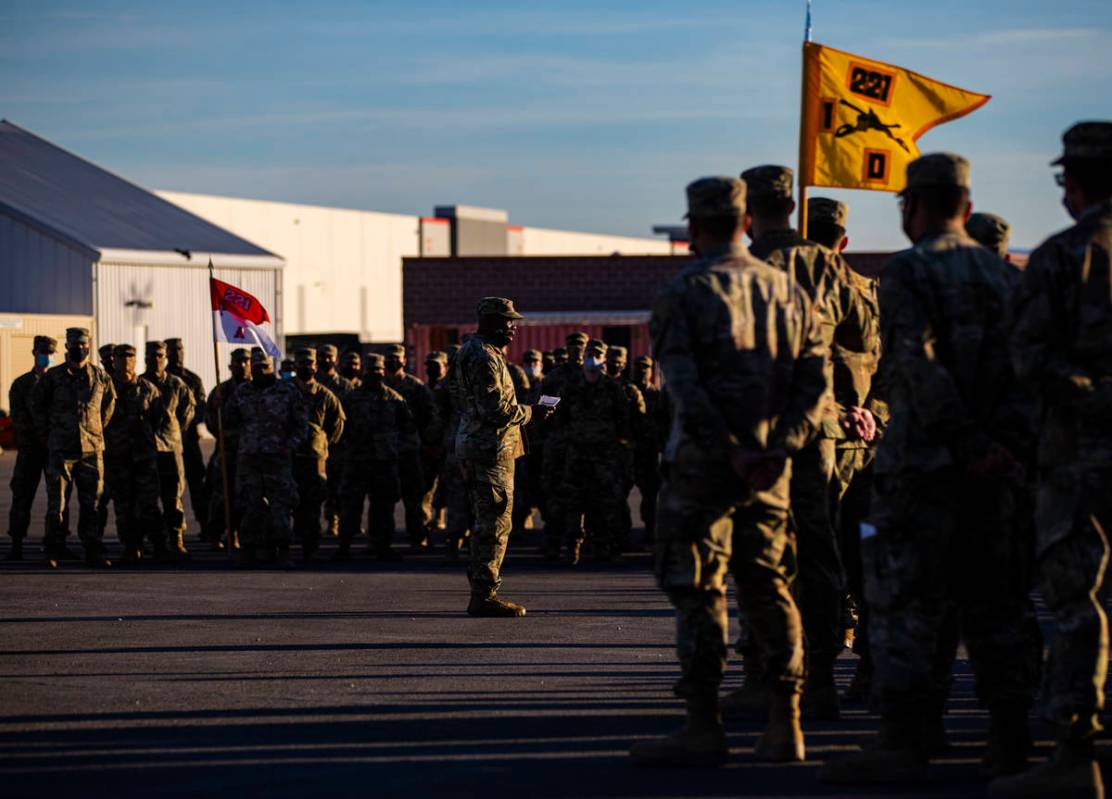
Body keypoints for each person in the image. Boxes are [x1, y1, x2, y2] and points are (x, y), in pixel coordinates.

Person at [821, 154, 1040, 785]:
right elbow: (1032, 374)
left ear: (911, 207)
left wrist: (967, 441)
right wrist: (1004, 448)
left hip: (927, 470)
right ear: (967, 209)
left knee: (912, 604)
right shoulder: (1008, 278)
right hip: (997, 472)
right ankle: (1010, 736)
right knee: (997, 602)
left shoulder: (911, 271)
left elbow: (913, 365)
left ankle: (909, 736)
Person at [630, 177, 826, 767]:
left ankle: (702, 723)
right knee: (768, 585)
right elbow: (815, 386)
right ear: (746, 221)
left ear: (693, 225)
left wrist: (732, 450)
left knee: (700, 591)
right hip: (771, 470)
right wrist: (777, 449)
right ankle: (786, 722)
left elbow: (685, 389)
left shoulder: (684, 292)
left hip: (704, 470)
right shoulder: (788, 293)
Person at [996, 121, 1112, 798]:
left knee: (1079, 602)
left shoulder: (1068, 254)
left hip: (1080, 462)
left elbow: (1030, 360)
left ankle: (1075, 753)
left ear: (1073, 181)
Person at [735, 165, 872, 721]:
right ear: (792, 207)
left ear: (748, 215)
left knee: (762, 557)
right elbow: (864, 340)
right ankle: (818, 681)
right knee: (818, 556)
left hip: (759, 433)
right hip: (819, 434)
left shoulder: (744, 268)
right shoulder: (831, 268)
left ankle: (768, 676)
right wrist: (846, 406)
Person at [808, 195, 887, 699]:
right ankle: (867, 668)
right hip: (859, 447)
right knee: (863, 563)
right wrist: (872, 417)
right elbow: (893, 373)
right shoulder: (869, 292)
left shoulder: (787, 291)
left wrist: (862, 417)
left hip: (821, 452)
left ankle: (816, 678)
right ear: (844, 239)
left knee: (814, 564)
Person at [453, 297, 549, 616]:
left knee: (488, 520)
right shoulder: (482, 356)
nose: (513, 328)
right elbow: (494, 410)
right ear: (491, 321)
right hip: (489, 450)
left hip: (482, 446)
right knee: (494, 523)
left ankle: (482, 589)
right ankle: (484, 594)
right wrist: (532, 412)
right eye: (508, 322)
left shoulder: (477, 351)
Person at [32, 327, 117, 568]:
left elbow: (108, 408)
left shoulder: (101, 377)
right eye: (75, 344)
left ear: (88, 346)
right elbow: (37, 405)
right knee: (56, 504)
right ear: (67, 347)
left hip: (91, 450)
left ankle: (92, 550)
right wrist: (46, 434)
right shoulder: (53, 377)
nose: (79, 348)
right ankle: (54, 550)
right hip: (61, 451)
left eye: (83, 344)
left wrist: (95, 431)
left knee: (93, 504)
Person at [555, 339, 634, 564]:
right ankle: (572, 546)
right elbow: (560, 421)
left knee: (604, 502)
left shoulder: (613, 388)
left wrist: (620, 450)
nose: (593, 358)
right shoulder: (571, 388)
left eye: (598, 355)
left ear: (604, 359)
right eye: (589, 354)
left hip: (605, 455)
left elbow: (624, 422)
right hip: (576, 453)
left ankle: (603, 545)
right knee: (573, 502)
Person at [224, 350, 306, 567]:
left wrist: (289, 446)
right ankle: (249, 550)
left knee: (280, 506)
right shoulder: (242, 392)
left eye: (264, 367)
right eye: (257, 367)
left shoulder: (287, 391)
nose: (260, 371)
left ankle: (283, 550)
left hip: (277, 459)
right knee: (250, 505)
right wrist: (239, 443)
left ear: (272, 366)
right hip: (249, 458)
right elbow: (227, 422)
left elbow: (301, 424)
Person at [337, 353, 413, 561]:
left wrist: (398, 451)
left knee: (384, 506)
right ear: (364, 371)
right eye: (370, 370)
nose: (374, 374)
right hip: (356, 460)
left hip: (384, 462)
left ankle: (383, 546)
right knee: (350, 505)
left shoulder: (395, 399)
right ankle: (344, 546)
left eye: (378, 370)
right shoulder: (350, 398)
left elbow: (407, 429)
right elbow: (339, 428)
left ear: (383, 371)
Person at [104, 344, 170, 564]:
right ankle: (132, 547)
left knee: (149, 504)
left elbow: (160, 419)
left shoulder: (148, 389)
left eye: (130, 357)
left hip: (143, 457)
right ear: (113, 361)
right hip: (117, 457)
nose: (125, 361)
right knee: (123, 506)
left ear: (136, 361)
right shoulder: (105, 388)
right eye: (121, 357)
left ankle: (160, 545)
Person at [6, 336, 60, 561]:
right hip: (30, 450)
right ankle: (16, 543)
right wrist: (40, 437)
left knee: (57, 499)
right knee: (22, 496)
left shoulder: (58, 382)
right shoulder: (21, 384)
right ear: (34, 352)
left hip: (52, 450)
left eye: (49, 352)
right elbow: (19, 419)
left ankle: (55, 544)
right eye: (42, 352)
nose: (45, 356)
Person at [291, 347, 345, 564]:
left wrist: (322, 443)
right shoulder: (284, 391)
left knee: (312, 504)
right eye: (302, 363)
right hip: (290, 456)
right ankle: (285, 546)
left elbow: (338, 424)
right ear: (295, 366)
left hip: (314, 459)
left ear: (315, 366)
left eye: (310, 363)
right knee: (288, 502)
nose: (307, 367)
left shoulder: (325, 395)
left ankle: (310, 548)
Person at [538, 332, 589, 560]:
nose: (576, 350)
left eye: (581, 346)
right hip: (557, 444)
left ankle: (574, 543)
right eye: (572, 345)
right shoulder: (554, 376)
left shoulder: (592, 376)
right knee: (553, 493)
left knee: (578, 495)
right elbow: (541, 408)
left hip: (581, 444)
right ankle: (553, 541)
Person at [383, 343, 439, 551]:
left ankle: (419, 537)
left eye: (397, 358)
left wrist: (426, 442)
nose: (393, 361)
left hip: (409, 449)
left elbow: (431, 417)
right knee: (383, 499)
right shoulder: (377, 385)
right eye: (389, 358)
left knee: (414, 498)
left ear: (404, 361)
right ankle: (381, 541)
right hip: (384, 452)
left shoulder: (416, 387)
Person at [143, 340, 195, 560]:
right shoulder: (140, 385)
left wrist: (172, 432)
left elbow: (188, 413)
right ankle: (157, 542)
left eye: (160, 355)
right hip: (147, 450)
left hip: (171, 450)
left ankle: (177, 540)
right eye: (153, 355)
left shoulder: (177, 384)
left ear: (166, 357)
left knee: (173, 497)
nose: (157, 359)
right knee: (149, 498)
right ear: (146, 358)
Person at [205, 347, 251, 550]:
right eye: (238, 362)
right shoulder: (220, 391)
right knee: (221, 496)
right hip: (227, 450)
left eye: (246, 361)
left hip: (250, 452)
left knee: (246, 496)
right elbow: (210, 421)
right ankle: (216, 534)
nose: (242, 365)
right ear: (230, 366)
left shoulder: (256, 390)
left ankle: (241, 535)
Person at [165, 338, 210, 545]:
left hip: (189, 441)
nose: (178, 354)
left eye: (180, 350)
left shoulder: (192, 379)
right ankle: (168, 531)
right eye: (173, 350)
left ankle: (206, 526)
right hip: (165, 444)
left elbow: (200, 408)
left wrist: (185, 427)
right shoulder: (160, 379)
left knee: (198, 485)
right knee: (167, 488)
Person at [602, 343, 646, 553]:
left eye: (619, 364)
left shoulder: (631, 390)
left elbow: (641, 420)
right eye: (612, 363)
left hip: (622, 451)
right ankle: (601, 538)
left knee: (618, 495)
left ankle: (620, 537)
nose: (615, 367)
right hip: (598, 450)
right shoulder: (596, 386)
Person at [317, 344, 355, 536]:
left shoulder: (345, 386)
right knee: (314, 488)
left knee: (338, 486)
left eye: (329, 356)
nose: (325, 360)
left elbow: (350, 416)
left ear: (336, 360)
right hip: (313, 447)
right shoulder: (310, 383)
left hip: (339, 446)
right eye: (321, 356)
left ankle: (334, 521)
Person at [630, 355, 667, 544]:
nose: (642, 371)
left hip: (649, 452)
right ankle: (619, 534)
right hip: (627, 451)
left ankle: (649, 530)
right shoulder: (626, 392)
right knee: (616, 494)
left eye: (646, 368)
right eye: (639, 367)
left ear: (651, 371)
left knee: (650, 495)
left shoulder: (657, 396)